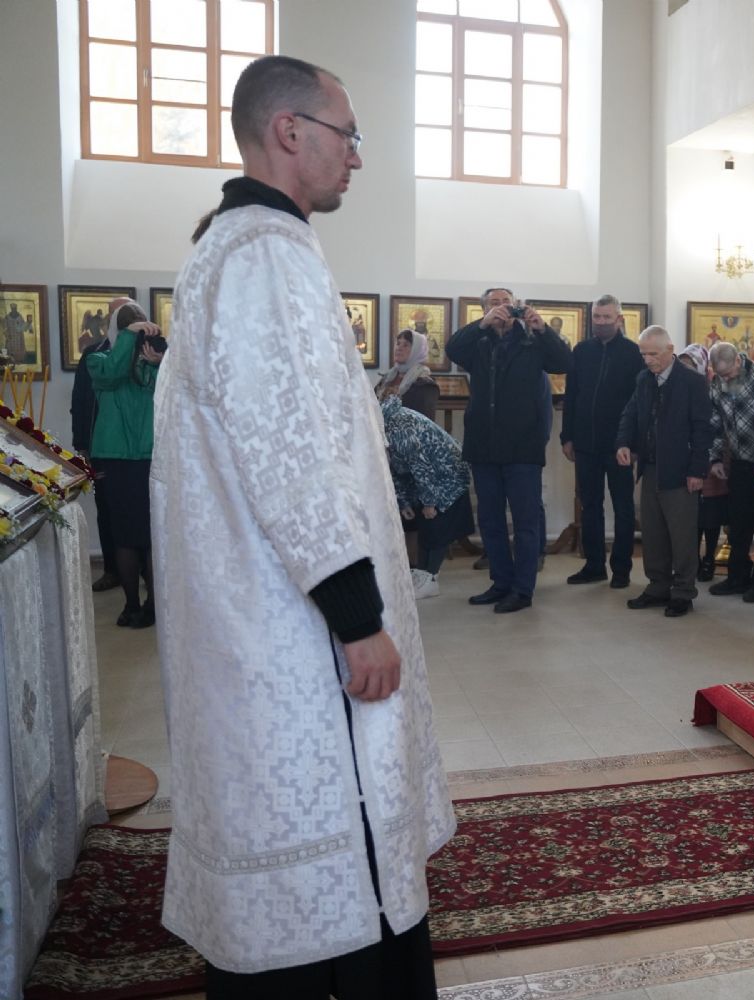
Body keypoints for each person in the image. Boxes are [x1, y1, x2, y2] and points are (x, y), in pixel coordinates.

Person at [150, 55, 453, 997]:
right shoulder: (264, 256)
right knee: (335, 854)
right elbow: (289, 455)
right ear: (289, 131)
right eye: (347, 134)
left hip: (264, 611)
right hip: (299, 634)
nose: (356, 156)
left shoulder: (236, 246)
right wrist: (358, 617)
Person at [446, 286, 570, 614]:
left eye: (506, 303)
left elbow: (563, 362)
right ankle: (500, 582)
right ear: (484, 309)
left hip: (522, 446)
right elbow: (452, 348)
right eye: (494, 304)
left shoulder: (532, 342)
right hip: (484, 445)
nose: (501, 308)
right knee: (490, 520)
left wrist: (542, 328)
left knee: (525, 521)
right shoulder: (478, 342)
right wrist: (482, 325)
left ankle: (522, 589)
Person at [616, 326, 713, 617]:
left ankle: (683, 591)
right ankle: (658, 586)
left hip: (681, 471)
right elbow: (631, 413)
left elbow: (702, 429)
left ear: (670, 350)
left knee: (681, 535)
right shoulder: (644, 379)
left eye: (653, 354)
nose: (648, 360)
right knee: (653, 532)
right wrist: (623, 443)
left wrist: (697, 470)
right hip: (651, 467)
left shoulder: (692, 382)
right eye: (643, 354)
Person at [86, 299, 165, 628]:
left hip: (150, 458)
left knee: (151, 535)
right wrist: (129, 339)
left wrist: (160, 364)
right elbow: (111, 375)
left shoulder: (153, 366)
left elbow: (174, 399)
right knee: (125, 536)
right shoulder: (98, 360)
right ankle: (131, 605)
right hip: (117, 460)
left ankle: (153, 606)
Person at [560, 294, 645, 589]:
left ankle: (621, 569)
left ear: (619, 319)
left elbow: (640, 404)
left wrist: (634, 445)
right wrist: (567, 436)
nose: (601, 322)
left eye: (607, 317)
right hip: (585, 443)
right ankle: (594, 565)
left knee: (623, 508)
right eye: (597, 316)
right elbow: (572, 396)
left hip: (620, 446)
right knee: (590, 505)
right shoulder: (581, 351)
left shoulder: (634, 353)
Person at [706, 340, 754, 603]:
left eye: (728, 374)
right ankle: (737, 577)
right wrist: (715, 458)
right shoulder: (717, 382)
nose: (725, 379)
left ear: (738, 360)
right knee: (738, 525)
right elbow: (715, 423)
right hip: (738, 461)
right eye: (720, 375)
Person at [380, 395, 474, 600]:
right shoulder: (384, 426)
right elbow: (394, 469)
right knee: (425, 525)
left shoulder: (399, 425)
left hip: (448, 475)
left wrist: (430, 502)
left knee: (437, 525)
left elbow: (421, 466)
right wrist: (404, 502)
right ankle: (423, 574)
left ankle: (430, 578)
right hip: (431, 478)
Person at [71, 294, 131, 593]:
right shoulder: (94, 354)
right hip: (102, 446)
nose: (119, 321)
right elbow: (81, 400)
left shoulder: (147, 350)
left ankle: (144, 571)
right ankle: (112, 569)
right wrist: (81, 442)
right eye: (115, 315)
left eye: (126, 314)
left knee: (140, 509)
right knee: (106, 508)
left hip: (139, 448)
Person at [678, 344, 729, 580]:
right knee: (692, 515)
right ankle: (694, 559)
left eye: (691, 366)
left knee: (711, 514)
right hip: (687, 458)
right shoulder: (677, 388)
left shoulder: (715, 388)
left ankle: (709, 558)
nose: (686, 370)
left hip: (712, 458)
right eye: (682, 366)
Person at [374, 328, 438, 420]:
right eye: (398, 343)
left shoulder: (425, 384)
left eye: (405, 345)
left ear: (417, 350)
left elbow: (423, 421)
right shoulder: (387, 378)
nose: (399, 348)